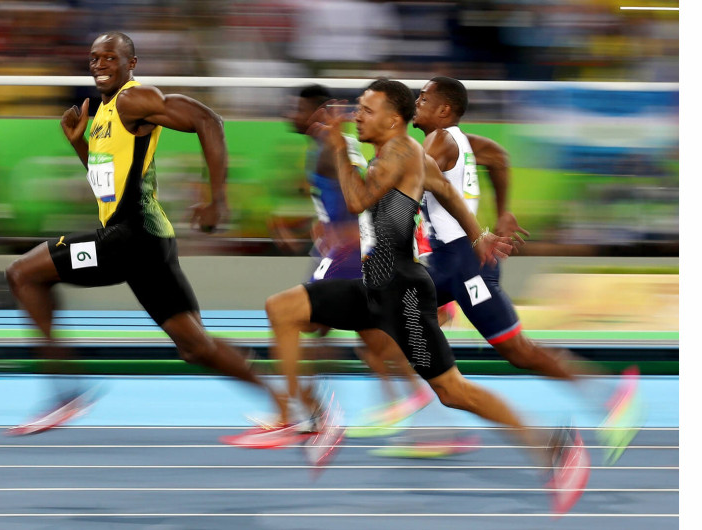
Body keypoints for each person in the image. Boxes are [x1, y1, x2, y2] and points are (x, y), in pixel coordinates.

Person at [226, 78, 590, 514]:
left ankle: (556, 447)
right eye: (357, 107)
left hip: (402, 294)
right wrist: (481, 235)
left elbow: (359, 199)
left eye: (366, 109)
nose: (356, 115)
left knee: (453, 392)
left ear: (393, 120)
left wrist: (341, 149)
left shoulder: (399, 153)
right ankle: (302, 418)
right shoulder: (411, 155)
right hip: (373, 285)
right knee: (282, 308)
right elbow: (449, 192)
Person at [4, 31, 285, 435]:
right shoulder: (100, 115)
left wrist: (216, 199)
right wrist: (80, 145)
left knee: (22, 274)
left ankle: (65, 392)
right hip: (145, 244)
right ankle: (288, 407)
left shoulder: (134, 99)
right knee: (195, 347)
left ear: (130, 64)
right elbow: (109, 185)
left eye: (110, 58)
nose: (100, 65)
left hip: (129, 238)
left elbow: (209, 120)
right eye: (94, 58)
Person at [411, 76, 643, 465]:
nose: (416, 101)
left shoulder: (437, 142)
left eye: (423, 97)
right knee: (404, 319)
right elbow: (499, 157)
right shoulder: (464, 142)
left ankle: (611, 398)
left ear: (444, 110)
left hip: (466, 266)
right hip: (448, 264)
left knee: (519, 351)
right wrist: (503, 213)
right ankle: (438, 422)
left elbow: (412, 187)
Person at [285, 84, 433, 433]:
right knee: (367, 337)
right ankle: (407, 398)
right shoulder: (322, 148)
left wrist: (348, 234)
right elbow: (336, 201)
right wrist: (312, 225)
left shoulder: (332, 148)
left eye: (298, 108)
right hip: (341, 250)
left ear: (319, 112)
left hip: (348, 253)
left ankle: (307, 410)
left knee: (303, 320)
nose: (290, 114)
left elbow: (360, 197)